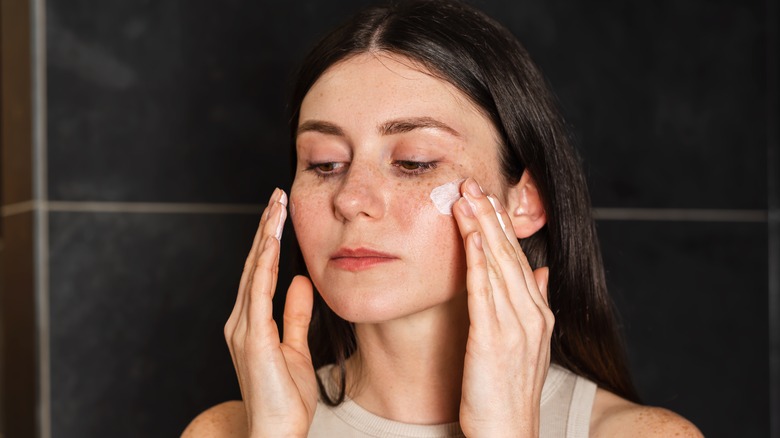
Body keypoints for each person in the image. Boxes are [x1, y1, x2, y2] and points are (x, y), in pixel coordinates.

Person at [183, 0, 702, 436]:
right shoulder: (226, 431)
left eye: (414, 162)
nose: (351, 199)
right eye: (325, 164)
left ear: (526, 201)